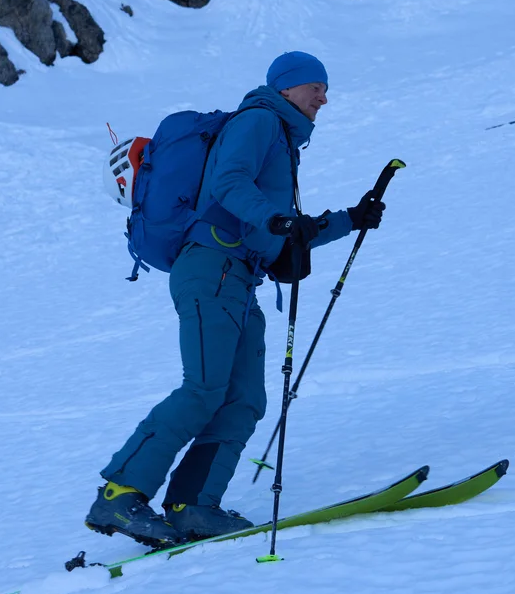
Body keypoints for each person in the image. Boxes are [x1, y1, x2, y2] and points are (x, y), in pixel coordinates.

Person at [85, 52, 387, 546]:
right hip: (211, 267)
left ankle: (193, 506)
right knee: (203, 387)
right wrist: (278, 221)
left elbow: (281, 230)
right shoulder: (260, 119)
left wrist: (351, 218)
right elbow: (230, 187)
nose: (324, 98)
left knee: (245, 398)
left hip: (240, 278)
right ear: (287, 86)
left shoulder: (283, 140)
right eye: (317, 87)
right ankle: (119, 495)